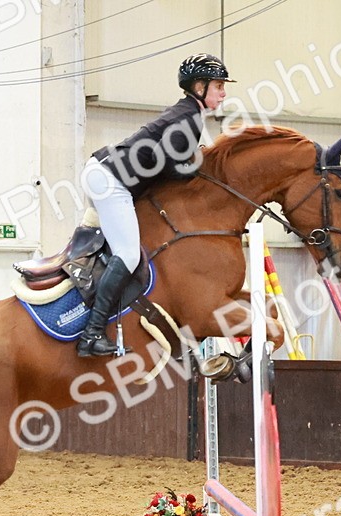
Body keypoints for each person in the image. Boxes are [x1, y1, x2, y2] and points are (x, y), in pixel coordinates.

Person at [76, 53, 233, 357]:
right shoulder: (188, 117)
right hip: (111, 180)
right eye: (218, 86)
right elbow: (166, 162)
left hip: (107, 172)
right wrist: (197, 167)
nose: (224, 93)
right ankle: (91, 334)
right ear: (199, 86)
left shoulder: (189, 113)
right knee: (128, 254)